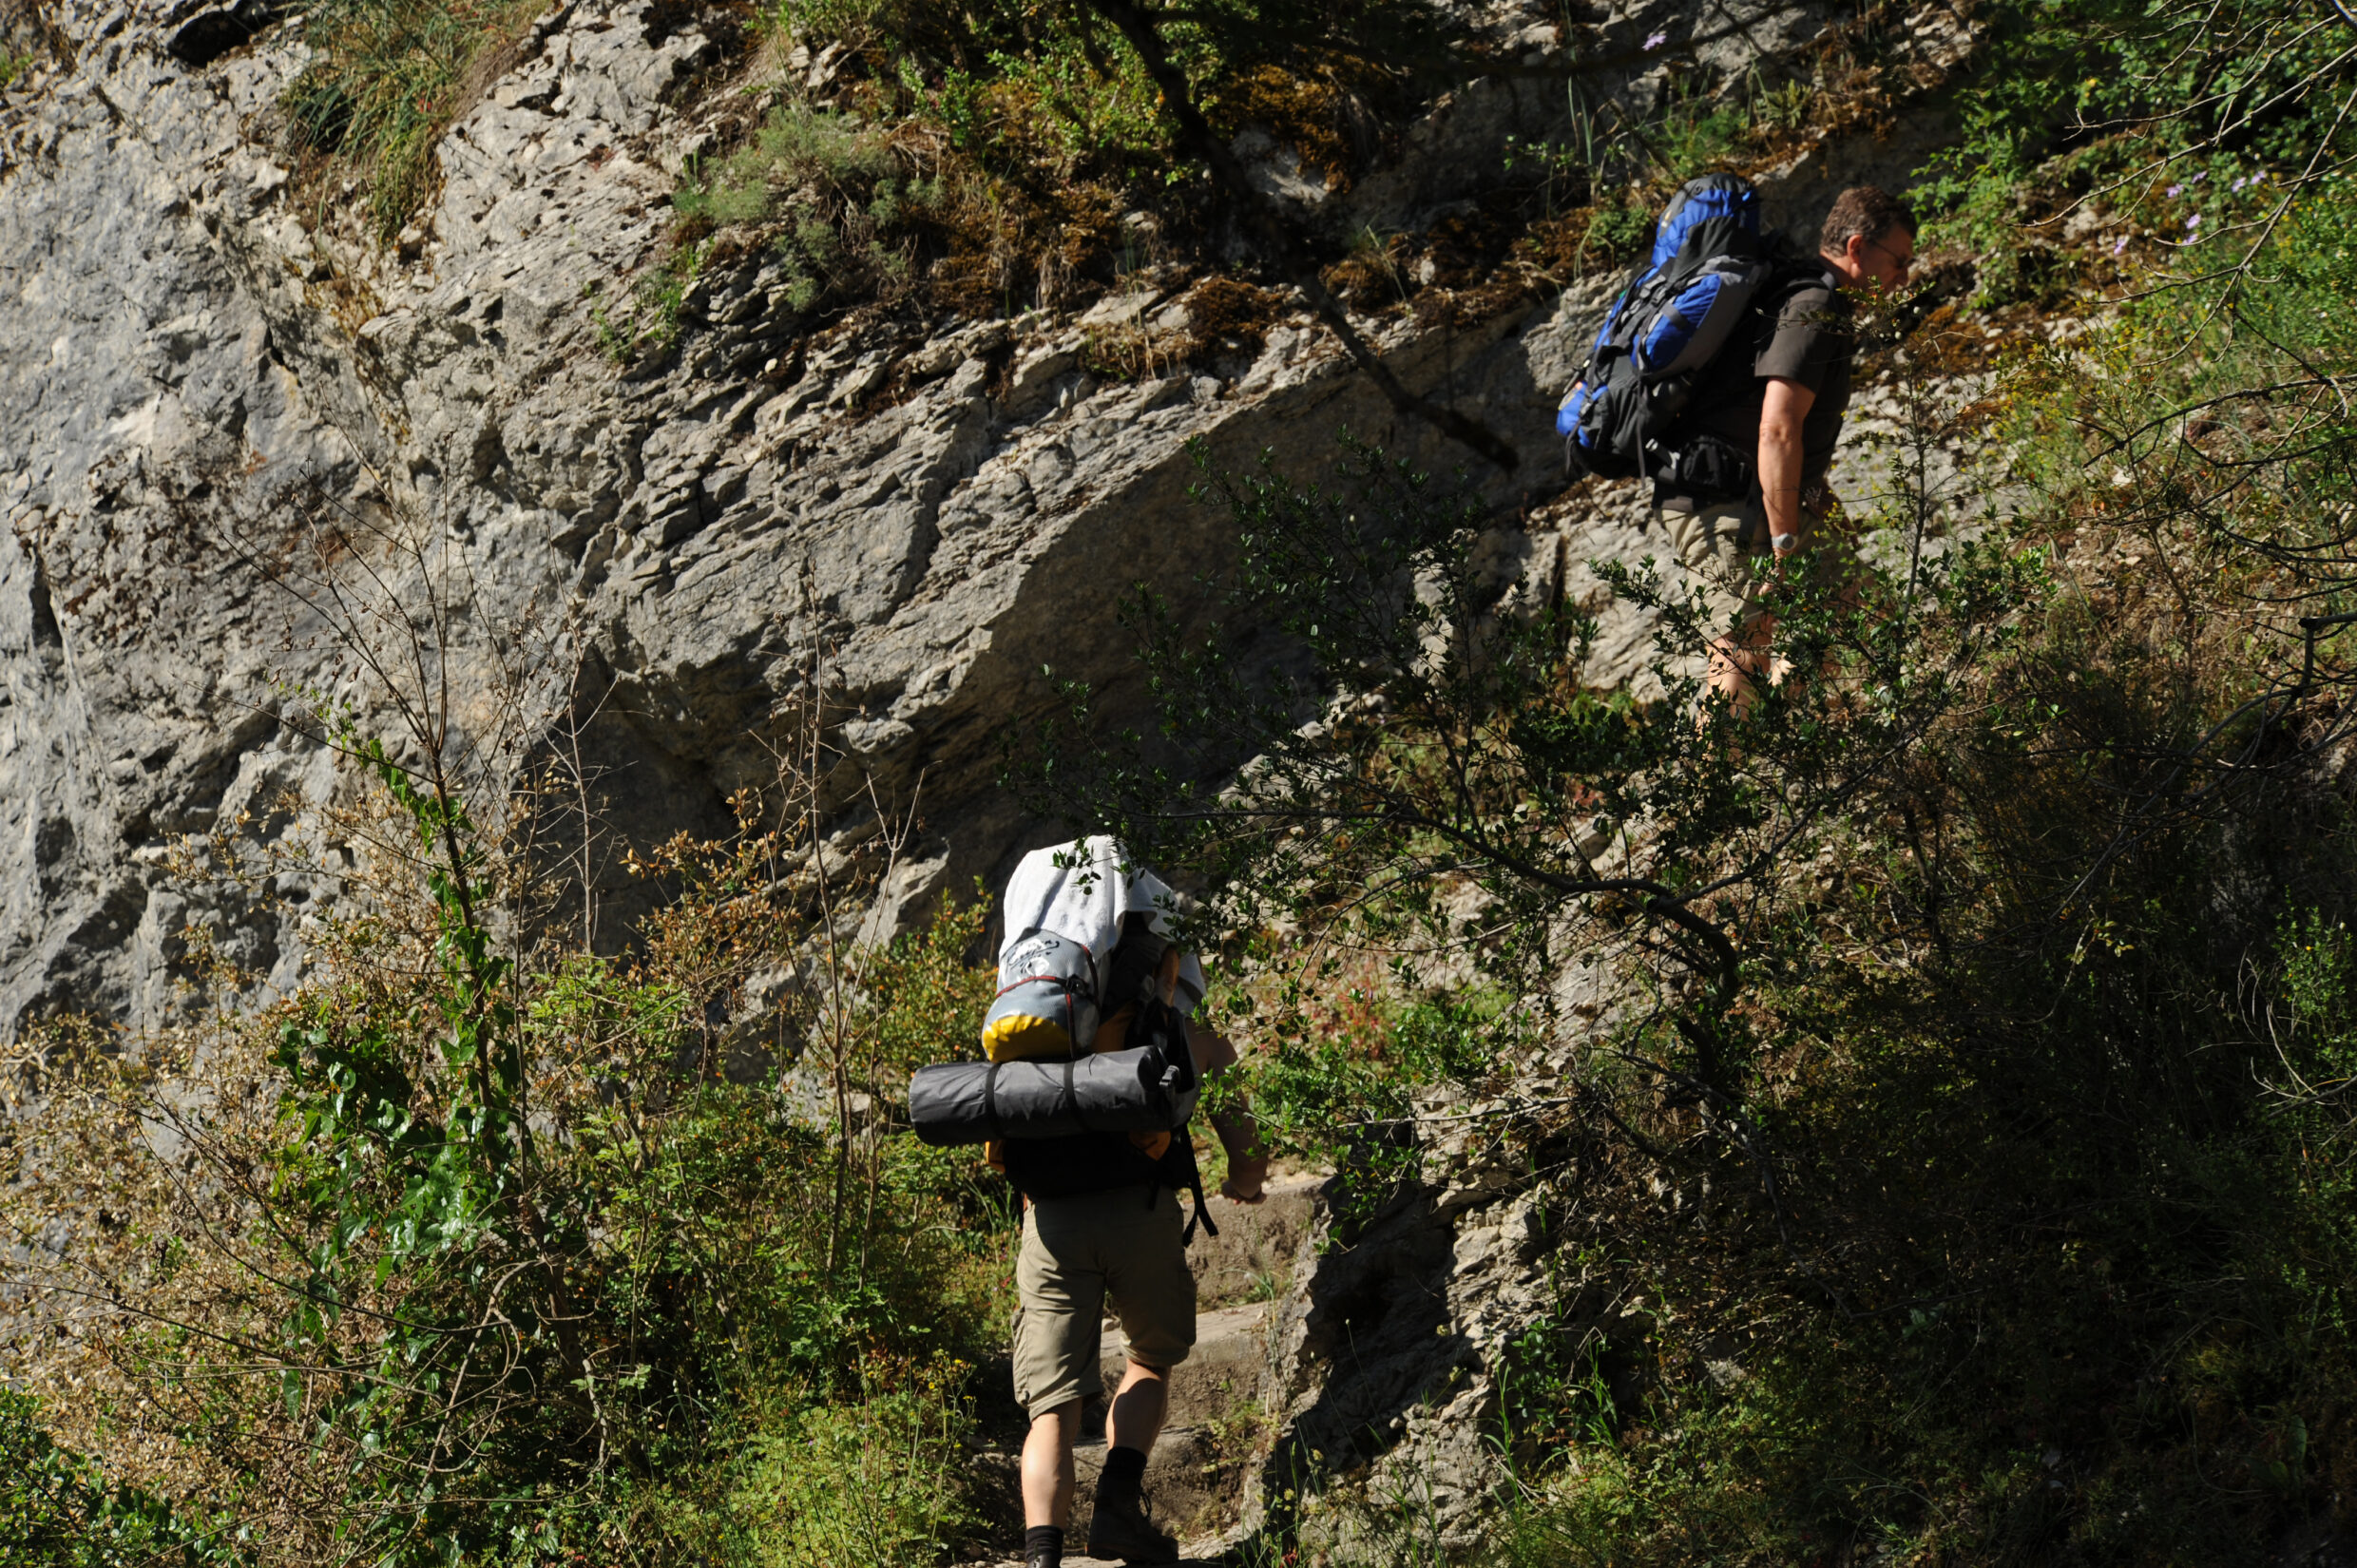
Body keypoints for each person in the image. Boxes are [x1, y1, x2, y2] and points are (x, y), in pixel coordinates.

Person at [991, 842, 1270, 1568]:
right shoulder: (1170, 1015)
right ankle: (1117, 1505)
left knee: (1052, 1405)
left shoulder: (1034, 1017)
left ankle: (1042, 1556)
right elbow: (1240, 1128)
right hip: (1140, 1209)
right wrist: (1246, 1177)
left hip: (1049, 1221)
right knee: (1148, 1360)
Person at [1656, 184, 1918, 709]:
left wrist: (1820, 505)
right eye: (1899, 261)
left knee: (1857, 611)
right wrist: (1785, 543)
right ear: (1858, 247)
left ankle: (1772, 739)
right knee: (1743, 647)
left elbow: (1784, 429)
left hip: (1760, 493)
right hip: (1719, 497)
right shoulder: (1813, 304)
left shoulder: (1814, 299)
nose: (1905, 277)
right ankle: (1728, 762)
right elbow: (1777, 429)